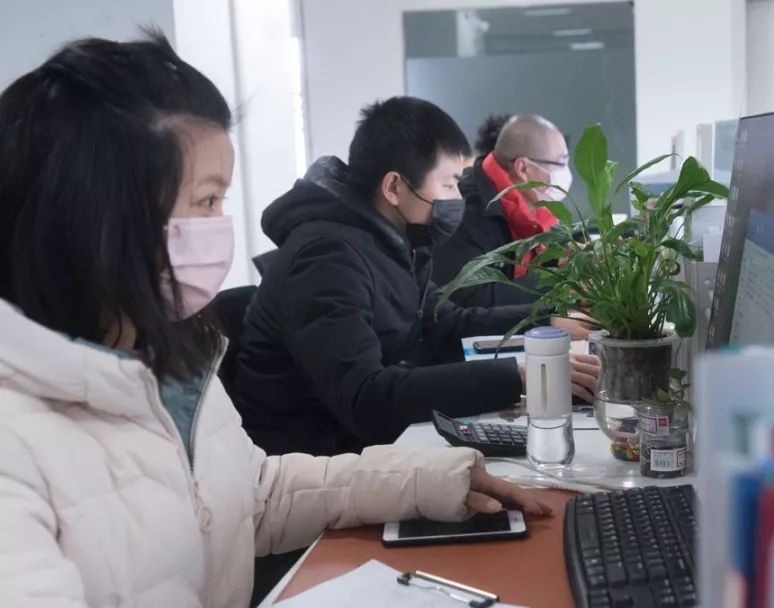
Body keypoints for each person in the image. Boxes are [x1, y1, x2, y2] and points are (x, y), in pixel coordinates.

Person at [0, 34, 548, 607]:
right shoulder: (17, 447)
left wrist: (427, 480)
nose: (221, 226)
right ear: (103, 213)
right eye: (207, 201)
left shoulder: (171, 359)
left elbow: (255, 496)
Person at [233, 98, 599, 457]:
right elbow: (366, 397)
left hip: (374, 443)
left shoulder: (390, 240)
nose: (457, 197)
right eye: (449, 184)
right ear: (394, 187)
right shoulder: (325, 258)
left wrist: (549, 321)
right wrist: (518, 377)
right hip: (320, 460)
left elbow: (444, 323)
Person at [432, 114, 572, 308]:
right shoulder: (465, 210)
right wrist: (560, 281)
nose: (566, 173)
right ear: (523, 169)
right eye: (560, 164)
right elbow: (470, 299)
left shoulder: (538, 204)